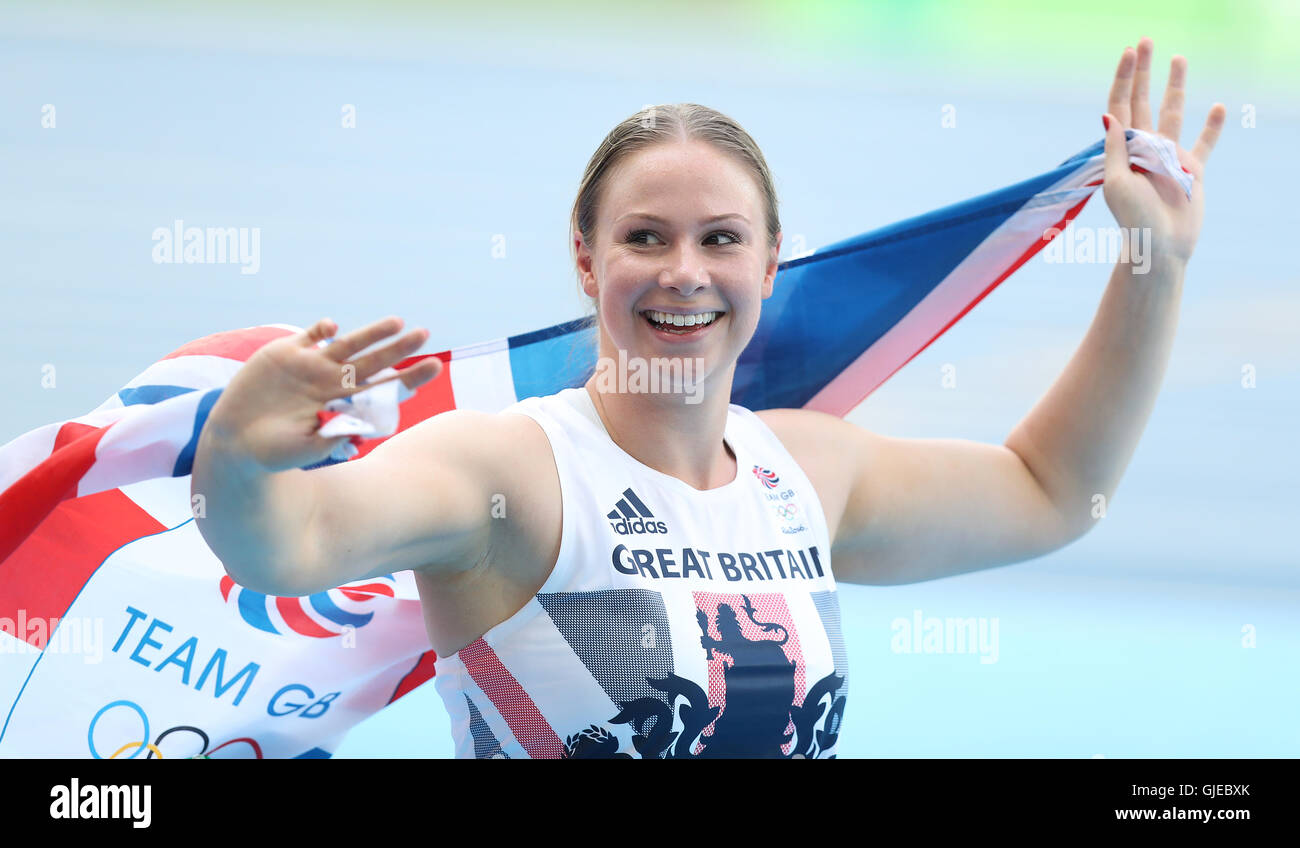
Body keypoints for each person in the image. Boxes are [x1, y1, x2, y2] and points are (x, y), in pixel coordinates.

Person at [191, 38, 1224, 758]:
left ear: (771, 263)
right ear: (586, 259)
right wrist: (238, 453)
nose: (684, 269)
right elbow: (289, 544)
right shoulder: (507, 470)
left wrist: (1152, 262)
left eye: (720, 238)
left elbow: (1051, 491)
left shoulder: (806, 468)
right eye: (645, 236)